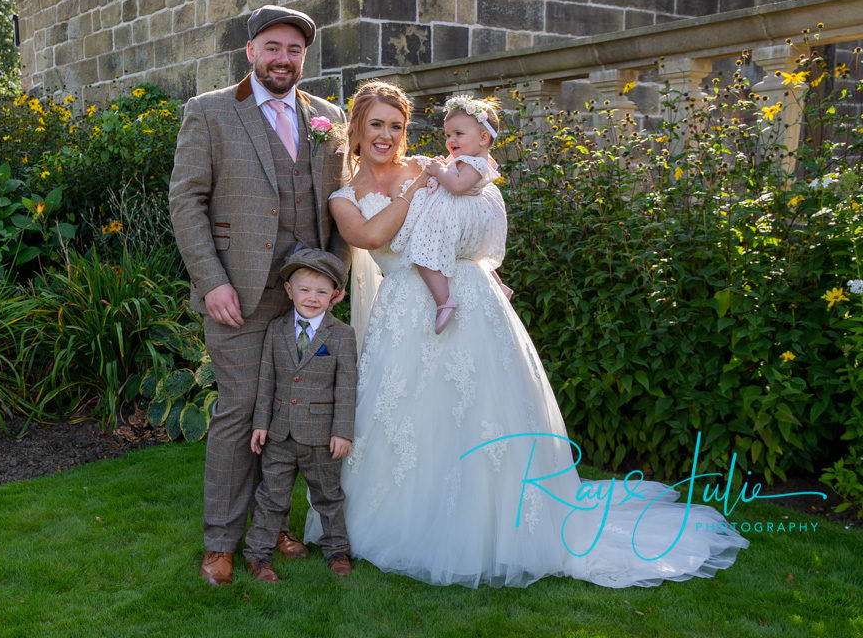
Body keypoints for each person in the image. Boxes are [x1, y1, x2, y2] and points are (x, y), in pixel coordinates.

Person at [306, 80, 749, 588]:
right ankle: (403, 519)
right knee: (406, 417)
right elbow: (371, 236)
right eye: (376, 125)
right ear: (356, 129)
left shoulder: (434, 166)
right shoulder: (348, 196)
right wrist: (415, 190)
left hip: (468, 300)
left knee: (482, 411)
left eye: (397, 126)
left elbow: (479, 201)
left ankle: (498, 525)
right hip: (405, 311)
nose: (387, 135)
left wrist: (476, 250)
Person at [168, 5, 347, 586]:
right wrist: (211, 280)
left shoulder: (328, 116)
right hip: (238, 295)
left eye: (294, 51)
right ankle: (221, 541)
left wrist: (336, 279)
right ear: (250, 51)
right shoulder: (211, 111)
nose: (283, 59)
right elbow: (186, 201)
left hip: (309, 298)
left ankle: (271, 529)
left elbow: (340, 204)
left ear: (304, 58)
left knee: (294, 417)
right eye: (272, 48)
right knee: (240, 411)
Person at [242, 249, 358, 582]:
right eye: (305, 290)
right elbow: (266, 379)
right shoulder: (276, 329)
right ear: (289, 290)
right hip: (279, 434)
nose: (312, 298)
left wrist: (343, 431)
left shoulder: (341, 335)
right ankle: (258, 557)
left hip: (322, 437)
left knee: (329, 497)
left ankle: (336, 551)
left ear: (334, 296)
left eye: (322, 292)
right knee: (270, 498)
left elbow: (347, 387)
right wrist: (261, 423)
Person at [390, 94, 508, 333]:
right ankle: (498, 283)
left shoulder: (477, 163)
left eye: (458, 134)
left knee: (423, 250)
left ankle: (444, 300)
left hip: (455, 216)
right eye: (448, 135)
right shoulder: (472, 158)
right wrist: (445, 166)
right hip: (459, 214)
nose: (451, 140)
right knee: (467, 254)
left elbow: (457, 186)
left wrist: (438, 170)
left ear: (484, 138)